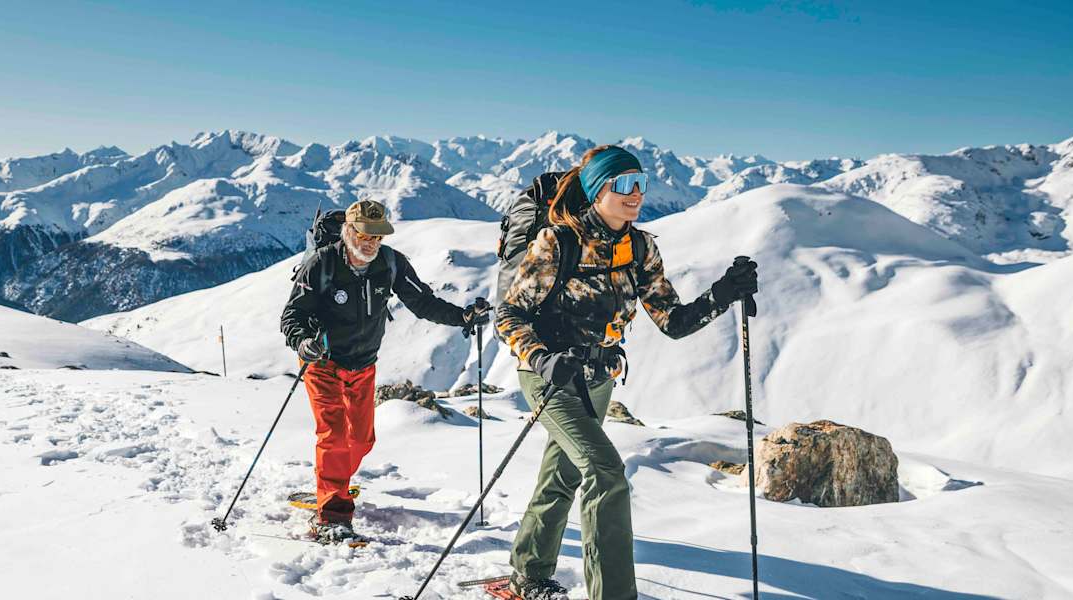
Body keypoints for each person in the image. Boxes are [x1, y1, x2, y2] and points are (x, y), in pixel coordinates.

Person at [495, 146, 759, 599]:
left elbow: (672, 321)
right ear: (598, 191)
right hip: (548, 376)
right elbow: (509, 315)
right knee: (605, 471)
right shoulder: (558, 242)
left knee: (564, 474)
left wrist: (723, 293)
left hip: (597, 378)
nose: (634, 193)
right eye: (622, 184)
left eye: (640, 182)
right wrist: (542, 358)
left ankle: (528, 571)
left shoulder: (640, 247)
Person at [280, 199, 492, 544]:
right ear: (349, 230)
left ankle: (332, 485)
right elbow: (292, 315)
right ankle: (332, 514)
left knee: (361, 440)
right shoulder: (322, 263)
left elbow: (423, 302)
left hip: (363, 364)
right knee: (333, 437)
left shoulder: (391, 263)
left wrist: (462, 317)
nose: (371, 243)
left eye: (377, 237)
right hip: (324, 363)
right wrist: (303, 343)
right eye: (364, 234)